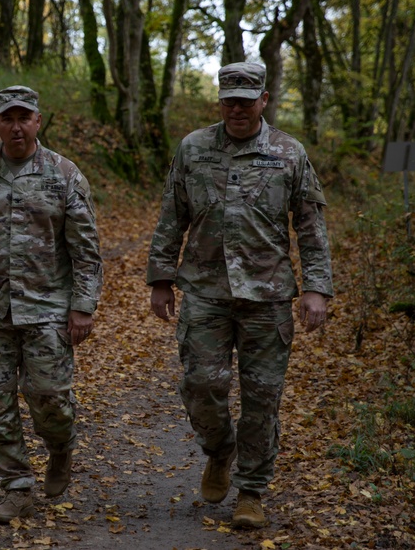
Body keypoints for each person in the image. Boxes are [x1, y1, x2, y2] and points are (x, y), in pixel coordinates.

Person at [146, 62, 333, 529]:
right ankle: (219, 451)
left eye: (246, 102)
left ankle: (251, 490)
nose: (236, 109)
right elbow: (173, 215)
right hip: (205, 290)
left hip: (267, 296)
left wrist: (316, 287)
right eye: (229, 100)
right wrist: (160, 279)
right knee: (201, 385)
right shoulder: (194, 148)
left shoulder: (289, 153)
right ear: (220, 100)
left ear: (263, 100)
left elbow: (310, 227)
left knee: (261, 398)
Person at [0, 85, 103, 524]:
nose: (16, 126)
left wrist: (82, 306)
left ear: (38, 121)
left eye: (24, 117)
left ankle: (59, 447)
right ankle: (16, 487)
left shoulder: (64, 175)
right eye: (7, 118)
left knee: (49, 399)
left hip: (48, 309)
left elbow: (86, 249)